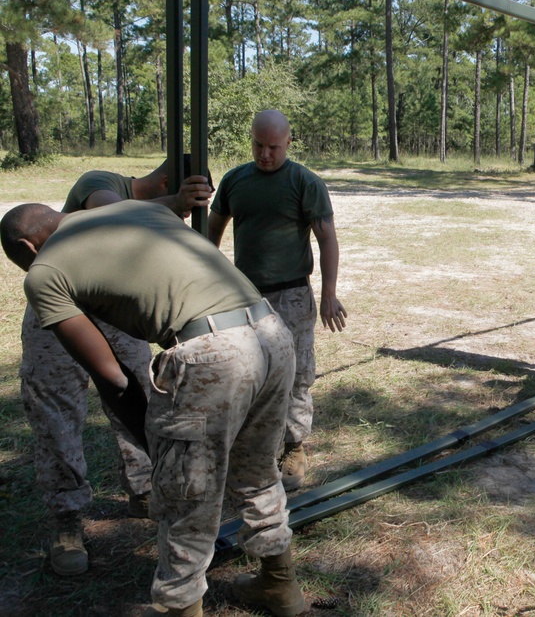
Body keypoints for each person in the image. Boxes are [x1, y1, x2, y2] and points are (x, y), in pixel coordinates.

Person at [2, 200, 306, 617]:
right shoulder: (134, 209)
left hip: (211, 353)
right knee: (256, 470)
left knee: (186, 497)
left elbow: (111, 376)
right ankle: (280, 585)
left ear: (27, 247)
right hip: (271, 334)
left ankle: (181, 608)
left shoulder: (43, 273)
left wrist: (156, 448)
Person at [17, 158, 211, 577]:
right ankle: (66, 519)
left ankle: (143, 489)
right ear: (162, 182)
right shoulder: (102, 182)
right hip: (57, 306)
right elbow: (108, 213)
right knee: (56, 411)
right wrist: (174, 202)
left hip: (110, 302)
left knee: (140, 393)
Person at [209, 110, 347, 492]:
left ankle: (293, 447)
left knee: (297, 374)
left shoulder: (304, 182)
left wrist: (328, 294)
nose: (265, 154)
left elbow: (327, 238)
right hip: (245, 295)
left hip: (291, 294)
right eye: (258, 145)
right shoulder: (236, 180)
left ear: (288, 142)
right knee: (246, 373)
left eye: (273, 147)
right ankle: (252, 446)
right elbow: (212, 231)